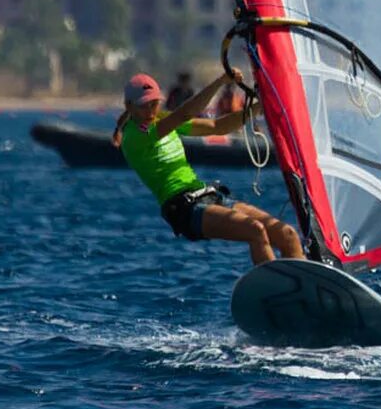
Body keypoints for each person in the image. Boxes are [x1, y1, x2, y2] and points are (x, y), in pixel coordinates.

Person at [114, 72, 304, 265]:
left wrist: (256, 108)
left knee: (286, 234)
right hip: (184, 209)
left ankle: (308, 286)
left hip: (208, 195)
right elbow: (184, 114)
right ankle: (275, 291)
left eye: (154, 103)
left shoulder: (161, 121)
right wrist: (220, 81)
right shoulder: (134, 136)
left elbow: (217, 125)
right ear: (129, 106)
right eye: (143, 105)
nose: (150, 110)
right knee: (255, 230)